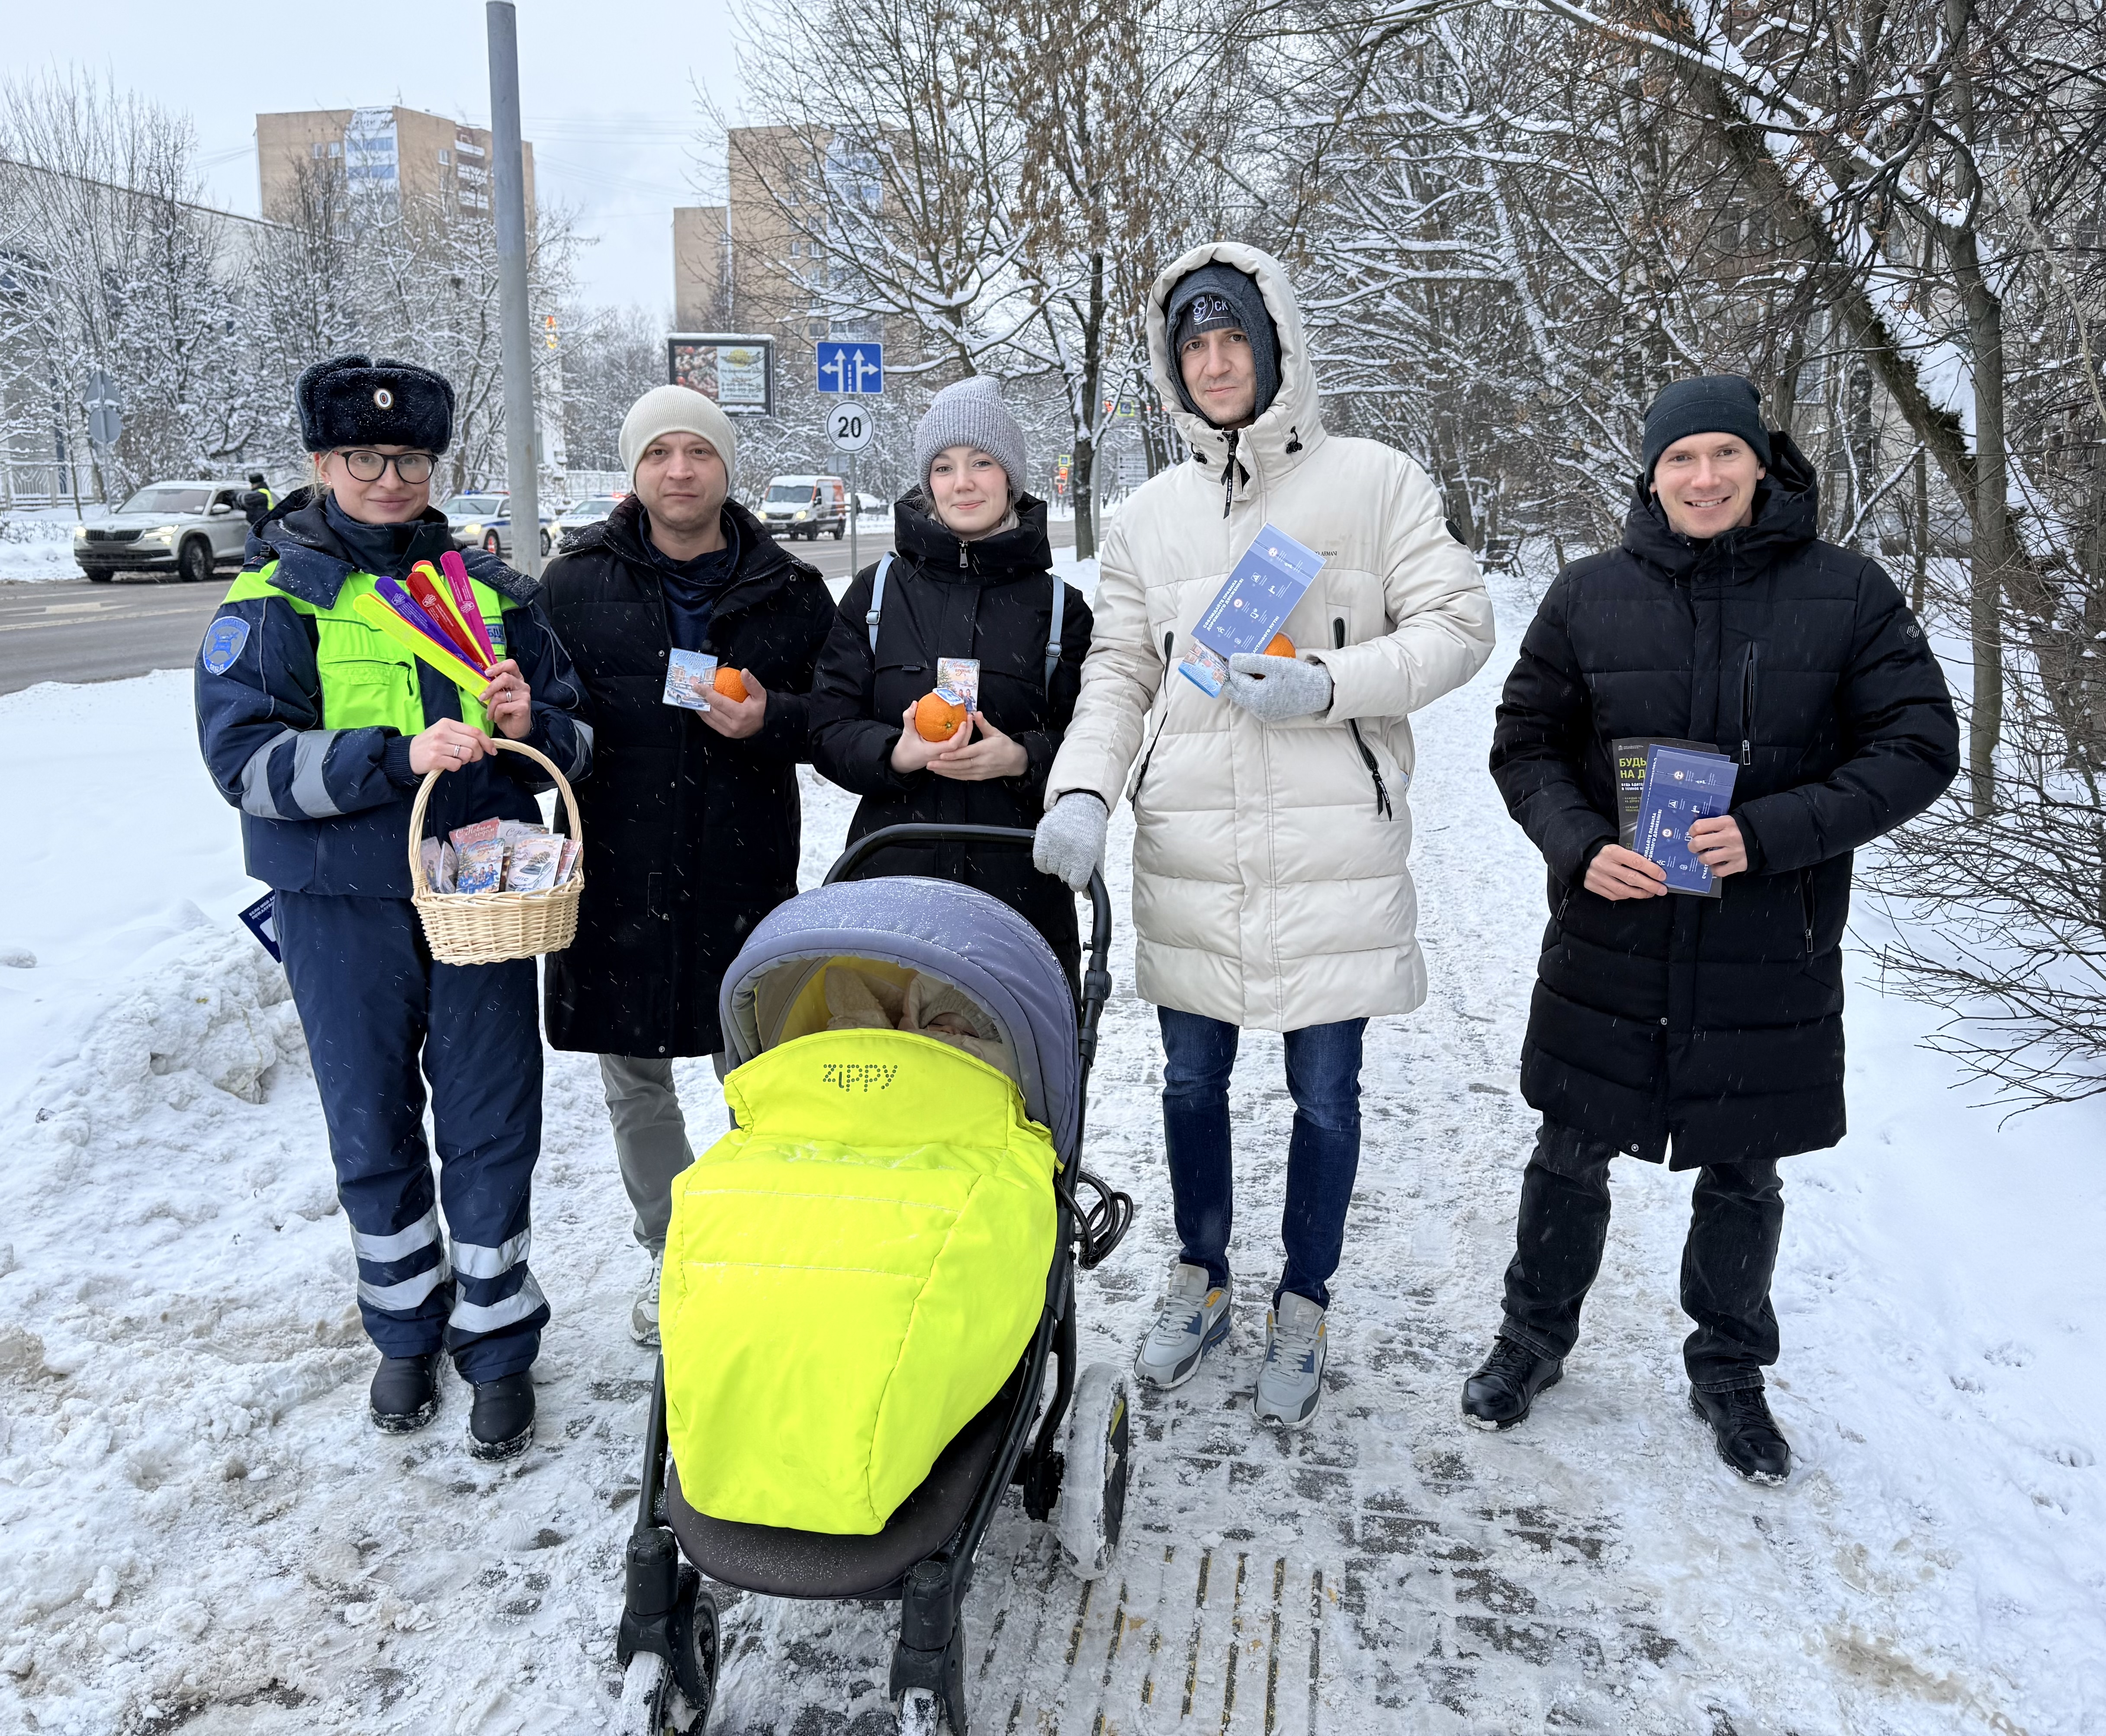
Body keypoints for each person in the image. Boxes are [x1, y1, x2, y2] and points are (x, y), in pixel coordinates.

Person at [1032, 244, 1495, 1427]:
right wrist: (1080, 792)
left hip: (1332, 848)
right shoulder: (1146, 518)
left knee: (1324, 1095)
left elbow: (1457, 626)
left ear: (1276, 346)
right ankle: (1201, 1273)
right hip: (1191, 844)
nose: (1217, 360)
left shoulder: (1373, 483)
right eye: (1194, 344)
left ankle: (1305, 1293)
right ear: (1171, 366)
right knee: (1190, 1081)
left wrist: (1330, 682)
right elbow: (1119, 672)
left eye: (1234, 337)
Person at [1466, 374, 1959, 1482]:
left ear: (1759, 464)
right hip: (1614, 932)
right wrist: (1579, 841)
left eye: (1722, 457)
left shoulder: (1847, 593)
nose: (1702, 478)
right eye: (1680, 460)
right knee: (1570, 1148)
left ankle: (1729, 1367)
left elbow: (1919, 745)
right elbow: (1524, 740)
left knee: (1744, 1171)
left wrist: (1775, 831)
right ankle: (1533, 1338)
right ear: (1650, 474)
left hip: (1763, 945)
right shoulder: (1591, 594)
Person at [195, 354, 593, 1459]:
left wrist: (533, 723)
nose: (388, 477)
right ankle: (404, 1333)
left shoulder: (491, 595)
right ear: (321, 464)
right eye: (363, 457)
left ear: (433, 464)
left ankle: (499, 1341)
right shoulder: (272, 599)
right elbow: (245, 764)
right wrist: (391, 757)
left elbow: (577, 746)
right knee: (369, 1128)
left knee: (491, 1124)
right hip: (341, 910)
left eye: (409, 457)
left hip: (478, 899)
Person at [540, 385, 834, 1347]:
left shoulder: (789, 588)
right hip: (616, 860)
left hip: (742, 863)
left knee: (755, 1066)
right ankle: (674, 1249)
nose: (679, 470)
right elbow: (547, 717)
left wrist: (773, 721)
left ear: (725, 469)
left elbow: (833, 719)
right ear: (634, 471)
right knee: (634, 1074)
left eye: (698, 452)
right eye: (659, 453)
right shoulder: (573, 583)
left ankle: (756, 1235)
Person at [810, 377, 1093, 985]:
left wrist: (1021, 757)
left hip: (1018, 895)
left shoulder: (1059, 607)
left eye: (981, 462)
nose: (962, 483)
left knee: (1017, 1075)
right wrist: (897, 752)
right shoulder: (876, 594)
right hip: (892, 885)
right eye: (944, 466)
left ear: (1010, 475)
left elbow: (1093, 738)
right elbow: (828, 728)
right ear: (927, 479)